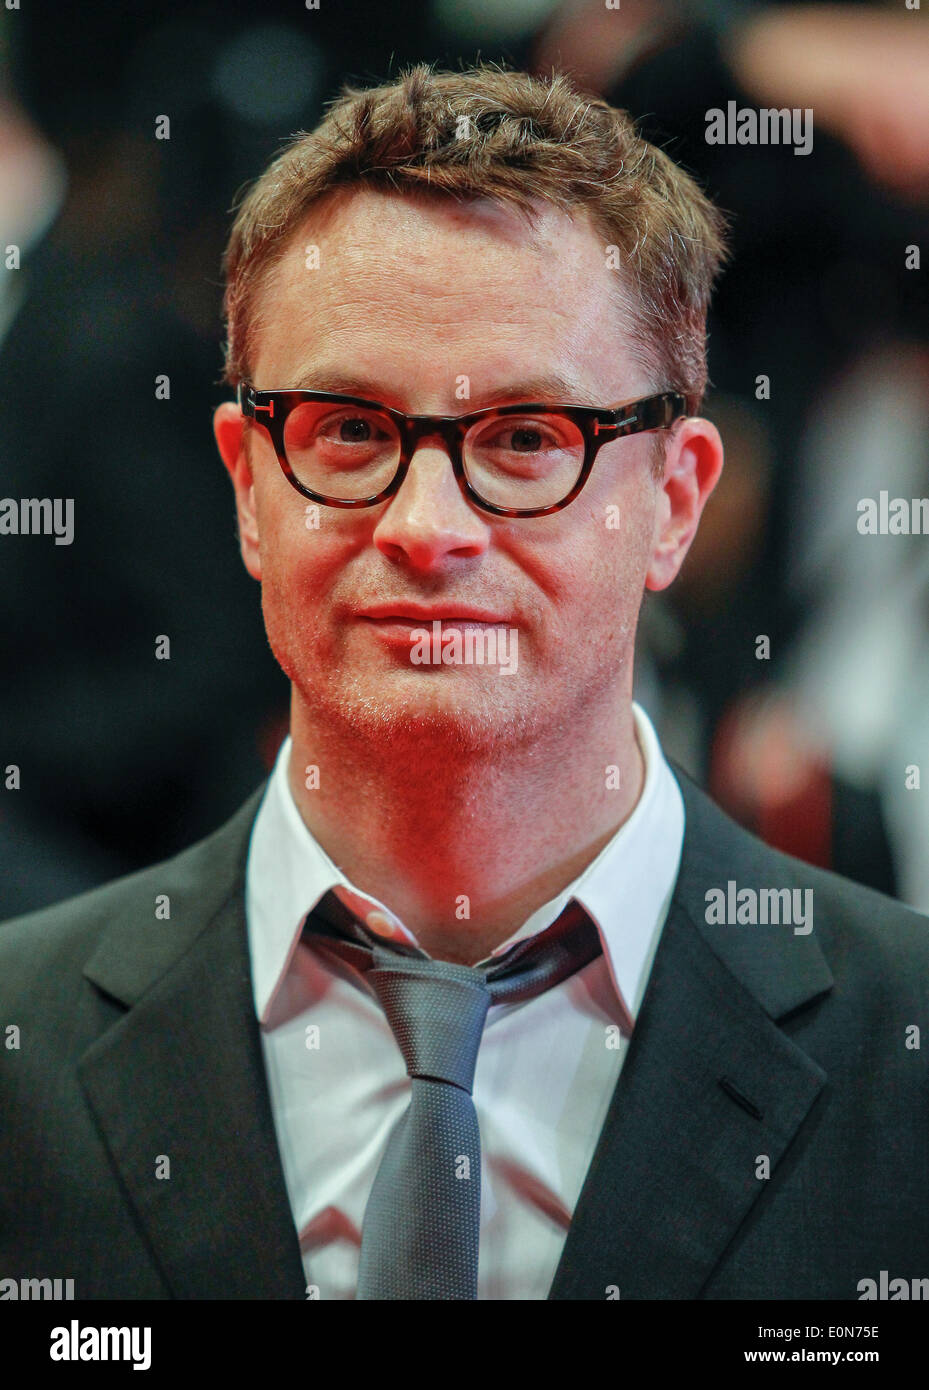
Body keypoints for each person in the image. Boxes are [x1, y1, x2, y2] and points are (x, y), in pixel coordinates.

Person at [1, 61, 926, 1302]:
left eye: (527, 439)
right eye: (349, 431)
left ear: (675, 499)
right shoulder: (21, 1047)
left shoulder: (905, 1054)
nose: (426, 526)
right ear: (245, 489)